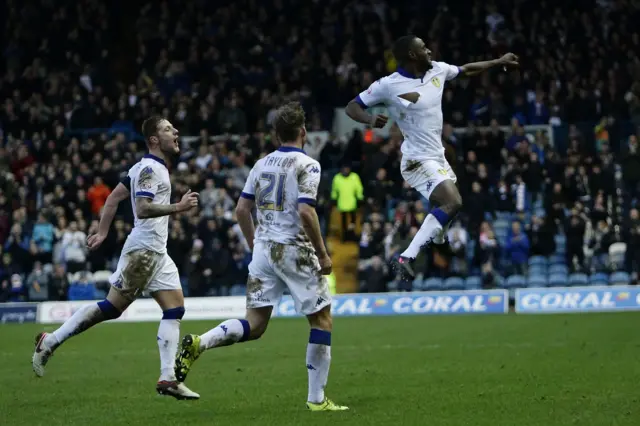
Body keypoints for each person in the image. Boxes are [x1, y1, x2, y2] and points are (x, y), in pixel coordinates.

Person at [174, 102, 347, 412]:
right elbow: (306, 211)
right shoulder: (308, 165)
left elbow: (242, 210)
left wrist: (255, 243)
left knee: (255, 324)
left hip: (265, 251)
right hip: (295, 249)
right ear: (303, 132)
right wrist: (322, 253)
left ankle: (201, 342)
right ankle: (317, 401)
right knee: (321, 319)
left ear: (275, 135)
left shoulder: (261, 164)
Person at [31, 116, 201, 400]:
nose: (176, 132)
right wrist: (179, 207)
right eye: (168, 129)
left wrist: (102, 232)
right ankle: (51, 341)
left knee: (174, 309)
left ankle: (168, 378)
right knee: (111, 308)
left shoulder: (141, 168)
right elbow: (143, 208)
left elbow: (113, 198)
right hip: (144, 252)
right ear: (154, 140)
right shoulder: (149, 169)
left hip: (157, 252)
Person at [345, 34, 518, 278]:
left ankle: (438, 236)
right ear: (412, 55)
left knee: (446, 206)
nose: (429, 51)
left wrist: (497, 60)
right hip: (416, 160)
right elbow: (352, 106)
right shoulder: (388, 84)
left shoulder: (437, 70)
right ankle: (406, 256)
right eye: (424, 48)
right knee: (453, 202)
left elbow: (466, 70)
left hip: (438, 157)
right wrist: (370, 119)